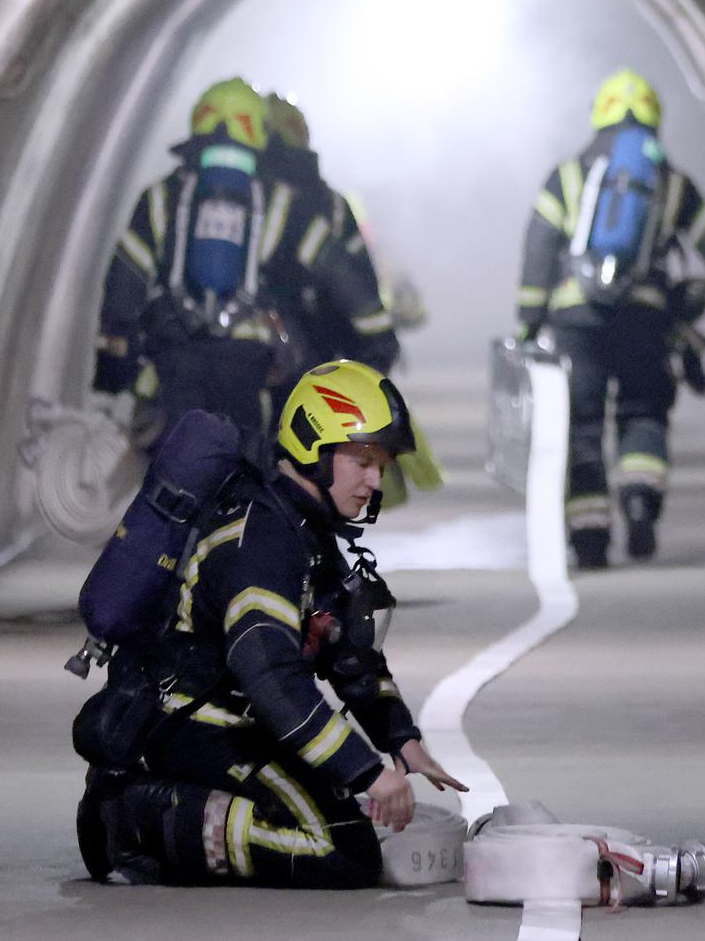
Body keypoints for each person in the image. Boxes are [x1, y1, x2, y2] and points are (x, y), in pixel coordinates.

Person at [76, 360, 466, 888]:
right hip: (188, 722)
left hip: (238, 720)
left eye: (383, 462)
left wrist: (402, 739)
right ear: (314, 449)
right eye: (364, 459)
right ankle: (127, 818)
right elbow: (271, 678)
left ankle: (159, 810)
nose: (376, 480)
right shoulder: (263, 540)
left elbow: (345, 652)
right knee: (339, 850)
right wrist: (369, 773)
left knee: (346, 829)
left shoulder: (304, 527)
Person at [516, 68, 705, 569]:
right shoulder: (670, 183)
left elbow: (539, 248)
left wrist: (529, 319)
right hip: (645, 319)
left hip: (575, 320)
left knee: (582, 426)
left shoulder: (567, 176)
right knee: (643, 411)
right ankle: (640, 496)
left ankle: (589, 533)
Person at [90, 77, 286, 441]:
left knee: (173, 461)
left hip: (177, 352)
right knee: (244, 462)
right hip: (247, 360)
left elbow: (124, 284)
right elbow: (328, 273)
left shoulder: (162, 195)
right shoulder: (278, 201)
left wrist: (112, 369)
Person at [256, 92, 399, 407]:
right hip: (320, 359)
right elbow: (356, 281)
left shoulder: (243, 197)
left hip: (249, 358)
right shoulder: (329, 204)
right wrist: (379, 345)